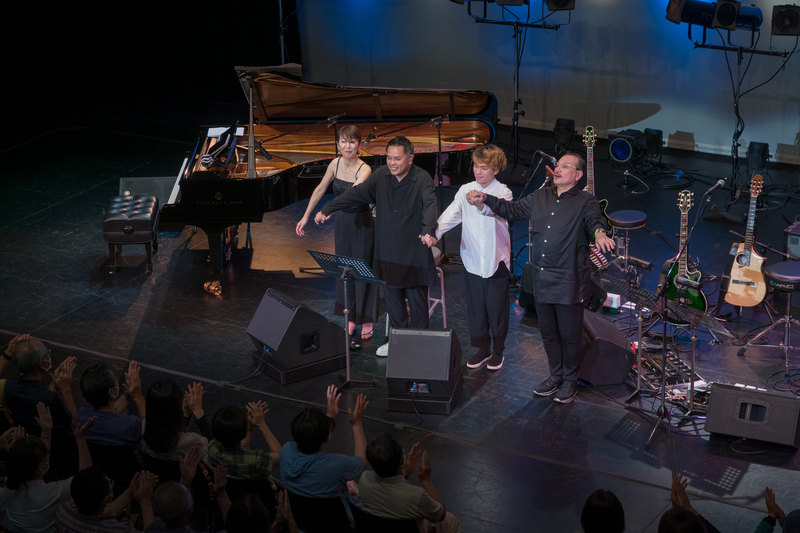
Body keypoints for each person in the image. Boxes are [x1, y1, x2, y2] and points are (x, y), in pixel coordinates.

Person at [466, 151, 615, 403]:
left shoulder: (585, 201)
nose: (558, 168)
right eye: (558, 164)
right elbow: (511, 209)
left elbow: (594, 221)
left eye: (565, 166)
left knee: (569, 336)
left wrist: (600, 233)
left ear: (578, 175)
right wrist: (485, 198)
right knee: (548, 333)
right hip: (543, 279)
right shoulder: (540, 196)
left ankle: (570, 380)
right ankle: (555, 375)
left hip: (568, 281)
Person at [316, 136, 438, 357]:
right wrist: (329, 208)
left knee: (418, 308)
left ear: (410, 158)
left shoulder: (422, 178)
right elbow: (357, 193)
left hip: (413, 254)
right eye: (389, 158)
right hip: (388, 253)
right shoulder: (381, 175)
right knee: (394, 305)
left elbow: (430, 204)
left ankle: (420, 349)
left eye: (397, 158)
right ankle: (397, 344)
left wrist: (429, 229)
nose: (392, 162)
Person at [296, 124, 376, 347]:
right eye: (343, 141)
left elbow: (351, 195)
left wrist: (328, 211)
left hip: (361, 223)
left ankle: (366, 319)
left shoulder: (365, 169)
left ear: (359, 144)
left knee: (362, 271)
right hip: (342, 224)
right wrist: (306, 216)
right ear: (338, 144)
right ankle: (350, 317)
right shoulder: (335, 163)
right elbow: (320, 188)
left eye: (352, 141)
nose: (347, 146)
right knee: (344, 270)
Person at [435, 144, 512, 370]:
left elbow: (496, 213)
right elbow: (450, 215)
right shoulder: (465, 189)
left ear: (495, 170)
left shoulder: (503, 192)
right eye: (476, 166)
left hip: (496, 260)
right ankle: (482, 348)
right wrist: (433, 234)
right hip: (472, 258)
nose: (478, 171)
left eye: (484, 167)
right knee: (476, 308)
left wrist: (480, 202)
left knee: (496, 308)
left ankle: (498, 350)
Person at [2, 403, 95, 533]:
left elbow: (38, 463)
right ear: (40, 466)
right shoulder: (52, 493)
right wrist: (81, 439)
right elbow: (87, 478)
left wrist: (46, 432)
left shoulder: (10, 481)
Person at [4, 338, 80, 476]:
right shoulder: (51, 400)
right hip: (56, 458)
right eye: (47, 355)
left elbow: (38, 400)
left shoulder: (8, 387)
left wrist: (54, 386)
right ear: (41, 363)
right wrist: (65, 389)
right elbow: (73, 423)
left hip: (28, 446)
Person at [279, 385, 368, 499]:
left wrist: (331, 415)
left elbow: (313, 436)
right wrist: (357, 425)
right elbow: (362, 461)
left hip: (296, 509)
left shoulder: (286, 450)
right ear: (326, 437)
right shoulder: (338, 466)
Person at [359, 434, 461, 533]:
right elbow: (440, 515)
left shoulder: (364, 479)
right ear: (402, 459)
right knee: (450, 519)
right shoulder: (416, 496)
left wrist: (406, 472)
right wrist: (426, 481)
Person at [55, 467, 158, 532]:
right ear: (106, 500)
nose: (112, 485)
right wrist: (145, 502)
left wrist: (130, 492)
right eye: (110, 483)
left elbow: (96, 515)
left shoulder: (63, 512)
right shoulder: (119, 529)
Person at [207, 401, 280, 482]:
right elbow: (280, 455)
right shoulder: (256, 461)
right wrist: (262, 425)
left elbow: (242, 446)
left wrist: (250, 427)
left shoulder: (212, 447)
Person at [78, 361, 145, 447]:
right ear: (111, 392)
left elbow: (111, 415)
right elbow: (153, 432)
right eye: (115, 379)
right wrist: (138, 397)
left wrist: (128, 395)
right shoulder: (132, 425)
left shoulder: (82, 415)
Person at [142, 381, 211, 460]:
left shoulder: (144, 426)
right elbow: (213, 447)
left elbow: (171, 429)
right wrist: (198, 411)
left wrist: (185, 413)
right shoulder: (192, 441)